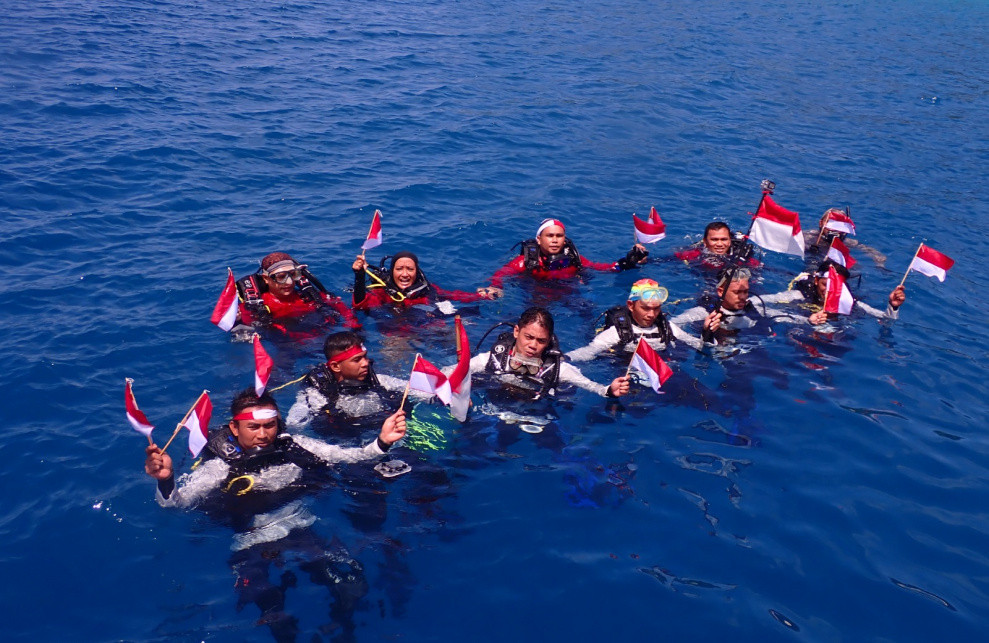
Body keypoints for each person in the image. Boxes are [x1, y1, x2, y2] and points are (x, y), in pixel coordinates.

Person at [143, 389, 407, 642]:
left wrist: (382, 441)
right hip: (252, 542)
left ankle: (343, 629)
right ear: (234, 429)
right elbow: (176, 504)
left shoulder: (296, 446)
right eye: (253, 427)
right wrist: (166, 480)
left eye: (269, 425)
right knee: (271, 610)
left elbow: (351, 456)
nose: (263, 434)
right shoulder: (219, 468)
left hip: (300, 529)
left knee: (350, 586)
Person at [458, 306, 631, 400]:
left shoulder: (558, 369)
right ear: (516, 332)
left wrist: (609, 390)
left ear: (549, 342)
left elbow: (593, 386)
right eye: (528, 337)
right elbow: (452, 372)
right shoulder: (494, 358)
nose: (533, 345)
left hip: (537, 412)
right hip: (495, 402)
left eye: (541, 341)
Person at [287, 331, 430, 429]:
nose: (365, 363)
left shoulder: (378, 380)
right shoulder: (316, 392)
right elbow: (295, 423)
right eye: (357, 360)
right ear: (336, 366)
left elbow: (418, 391)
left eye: (365, 356)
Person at [567, 278, 717, 361]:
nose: (652, 315)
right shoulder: (618, 332)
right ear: (631, 305)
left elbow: (700, 347)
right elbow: (589, 351)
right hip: (626, 369)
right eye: (645, 308)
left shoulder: (667, 327)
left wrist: (707, 333)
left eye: (656, 308)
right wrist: (564, 359)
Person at [487, 218, 648, 290]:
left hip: (568, 291)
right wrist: (495, 287)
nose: (555, 240)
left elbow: (604, 268)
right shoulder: (524, 262)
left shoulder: (572, 258)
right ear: (539, 239)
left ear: (565, 239)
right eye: (550, 236)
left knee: (587, 310)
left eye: (559, 236)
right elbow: (500, 275)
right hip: (537, 293)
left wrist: (630, 261)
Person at [671, 267, 807, 344]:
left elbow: (782, 316)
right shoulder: (703, 313)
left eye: (745, 291)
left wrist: (809, 320)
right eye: (736, 292)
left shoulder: (754, 307)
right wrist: (701, 337)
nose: (743, 297)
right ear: (720, 292)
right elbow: (672, 325)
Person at [236, 252, 359, 332]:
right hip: (288, 349)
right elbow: (244, 333)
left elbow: (342, 309)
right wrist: (237, 321)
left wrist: (352, 325)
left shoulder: (309, 296)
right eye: (281, 277)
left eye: (294, 275)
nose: (289, 282)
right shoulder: (256, 308)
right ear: (266, 279)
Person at [352, 250, 497, 311]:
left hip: (424, 329)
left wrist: (483, 295)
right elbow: (360, 304)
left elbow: (455, 295)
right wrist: (359, 276)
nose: (404, 274)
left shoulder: (427, 290)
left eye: (410, 269)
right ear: (392, 272)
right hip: (394, 333)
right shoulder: (382, 294)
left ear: (417, 272)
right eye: (399, 269)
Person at [790, 259, 905, 324]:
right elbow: (771, 311)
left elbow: (887, 319)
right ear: (816, 281)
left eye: (835, 286)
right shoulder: (801, 296)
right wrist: (806, 321)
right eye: (825, 285)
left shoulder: (849, 301)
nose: (829, 291)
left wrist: (893, 306)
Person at [803, 207, 888, 268]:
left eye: (839, 225)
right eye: (830, 223)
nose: (834, 228)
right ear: (821, 223)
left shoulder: (847, 242)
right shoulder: (808, 237)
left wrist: (879, 263)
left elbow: (872, 252)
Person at [674, 221, 759, 270]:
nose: (719, 244)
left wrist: (743, 263)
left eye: (724, 239)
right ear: (705, 242)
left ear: (730, 241)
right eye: (714, 239)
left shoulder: (741, 259)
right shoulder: (695, 254)